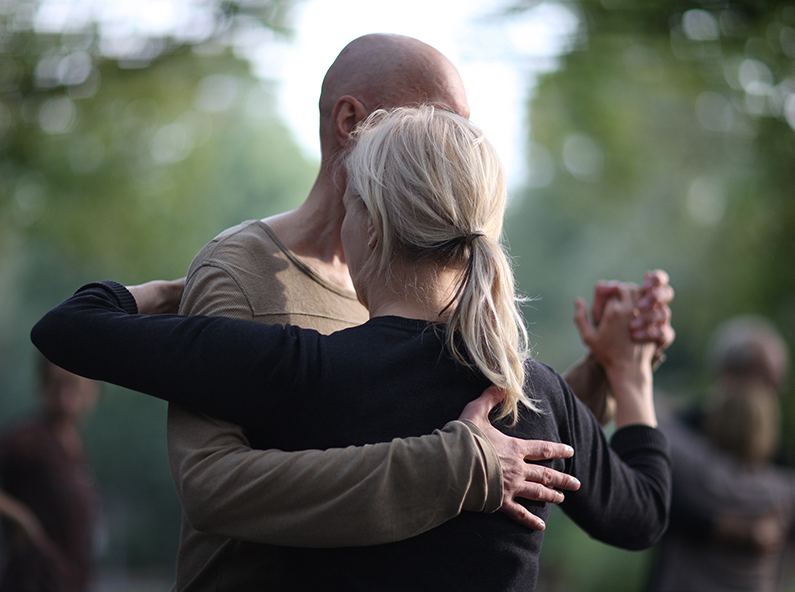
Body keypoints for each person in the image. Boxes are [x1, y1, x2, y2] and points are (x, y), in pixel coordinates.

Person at [31, 104, 671, 591]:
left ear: (369, 227)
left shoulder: (301, 371)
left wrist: (171, 292)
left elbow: (68, 328)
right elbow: (642, 514)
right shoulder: (531, 392)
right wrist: (629, 374)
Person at [647, 315, 795, 591]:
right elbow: (653, 503)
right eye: (767, 378)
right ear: (730, 371)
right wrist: (736, 531)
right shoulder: (783, 485)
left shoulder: (678, 442)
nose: (776, 391)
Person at [0, 356, 100, 592]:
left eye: (73, 384)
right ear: (44, 386)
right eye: (57, 384)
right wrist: (20, 518)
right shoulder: (27, 440)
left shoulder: (74, 446)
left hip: (70, 580)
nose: (66, 395)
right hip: (33, 580)